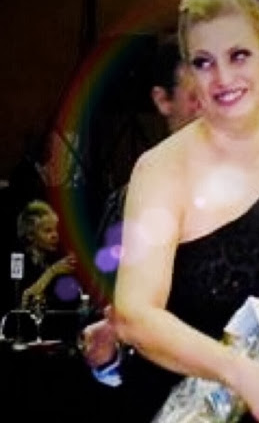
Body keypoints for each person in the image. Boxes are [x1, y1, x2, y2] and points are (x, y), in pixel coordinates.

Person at [112, 0, 259, 423]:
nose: (224, 78)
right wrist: (244, 375)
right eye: (204, 62)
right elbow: (134, 314)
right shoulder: (160, 171)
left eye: (239, 55)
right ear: (190, 76)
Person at [82, 36, 201, 373]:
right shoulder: (128, 204)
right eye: (196, 96)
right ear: (163, 100)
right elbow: (104, 330)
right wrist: (107, 360)